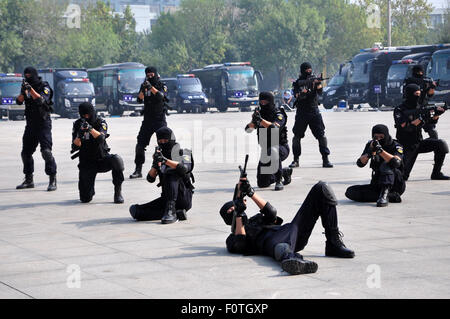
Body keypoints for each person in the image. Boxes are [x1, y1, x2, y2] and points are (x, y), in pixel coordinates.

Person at [220, 178, 354, 275]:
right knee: (280, 245)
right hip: (273, 244)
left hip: (292, 231)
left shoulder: (256, 219)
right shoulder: (231, 238)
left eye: (234, 207)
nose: (234, 210)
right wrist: (238, 213)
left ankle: (333, 244)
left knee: (322, 188)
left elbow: (271, 212)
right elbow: (241, 243)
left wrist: (250, 192)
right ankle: (291, 259)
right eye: (230, 210)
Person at [129, 126, 195, 224]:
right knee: (135, 211)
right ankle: (177, 213)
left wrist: (165, 160)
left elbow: (184, 168)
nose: (163, 143)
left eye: (166, 140)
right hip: (166, 198)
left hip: (183, 196)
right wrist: (156, 164)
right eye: (160, 141)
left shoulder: (184, 152)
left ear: (172, 139)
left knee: (170, 171)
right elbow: (150, 178)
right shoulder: (160, 155)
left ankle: (171, 212)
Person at [394, 83, 449, 181]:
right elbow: (405, 127)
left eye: (419, 94)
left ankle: (436, 173)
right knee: (402, 177)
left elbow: (429, 123)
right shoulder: (400, 109)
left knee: (441, 144)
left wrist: (436, 114)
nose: (418, 96)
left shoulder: (421, 108)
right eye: (416, 94)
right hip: (406, 145)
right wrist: (420, 118)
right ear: (409, 94)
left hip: (418, 142)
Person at [72, 102, 124, 204]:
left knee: (116, 160)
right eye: (84, 115)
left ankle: (118, 192)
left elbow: (101, 138)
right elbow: (75, 146)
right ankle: (89, 190)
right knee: (85, 199)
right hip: (87, 162)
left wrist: (90, 129)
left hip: (102, 159)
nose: (86, 117)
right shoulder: (77, 124)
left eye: (88, 115)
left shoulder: (100, 122)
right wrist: (80, 134)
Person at [16, 66, 57, 191]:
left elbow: (41, 100)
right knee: (25, 153)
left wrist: (31, 90)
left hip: (43, 123)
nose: (28, 77)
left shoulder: (44, 86)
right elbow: (18, 101)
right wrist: (23, 92)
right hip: (31, 124)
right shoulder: (26, 87)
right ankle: (29, 180)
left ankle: (52, 179)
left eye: (30, 75)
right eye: (26, 75)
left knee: (46, 152)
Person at [345, 125, 405, 207]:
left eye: (381, 136)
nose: (379, 139)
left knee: (386, 164)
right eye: (376, 136)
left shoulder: (396, 145)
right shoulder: (371, 144)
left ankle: (384, 196)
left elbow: (396, 162)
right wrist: (370, 153)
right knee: (350, 192)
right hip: (377, 182)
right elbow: (360, 163)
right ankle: (391, 196)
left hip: (395, 183)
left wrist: (380, 151)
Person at [245, 92, 292, 191]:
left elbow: (274, 128)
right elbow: (248, 130)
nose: (263, 104)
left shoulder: (279, 113)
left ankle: (279, 180)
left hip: (281, 148)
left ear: (270, 101)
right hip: (266, 152)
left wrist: (261, 120)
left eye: (265, 102)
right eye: (261, 102)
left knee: (273, 150)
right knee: (262, 183)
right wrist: (253, 120)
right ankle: (284, 173)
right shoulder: (260, 115)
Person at [290, 62, 333, 169]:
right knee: (297, 136)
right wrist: (303, 92)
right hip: (302, 112)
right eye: (306, 69)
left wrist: (318, 84)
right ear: (302, 70)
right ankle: (296, 160)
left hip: (314, 111)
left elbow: (320, 93)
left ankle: (325, 159)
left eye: (310, 69)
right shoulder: (297, 83)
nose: (308, 71)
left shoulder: (314, 80)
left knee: (321, 136)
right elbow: (297, 96)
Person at [130, 66, 168, 179]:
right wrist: (144, 89)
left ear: (156, 74)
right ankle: (138, 169)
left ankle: (166, 167)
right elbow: (139, 99)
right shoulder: (144, 86)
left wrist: (151, 87)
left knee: (165, 143)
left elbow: (162, 97)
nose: (150, 76)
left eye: (152, 75)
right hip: (147, 120)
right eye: (148, 75)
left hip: (159, 120)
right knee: (140, 144)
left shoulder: (162, 85)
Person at [403, 64, 438, 139]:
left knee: (429, 129)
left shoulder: (409, 80)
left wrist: (432, 86)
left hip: (416, 107)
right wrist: (432, 87)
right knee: (430, 129)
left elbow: (404, 95)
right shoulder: (426, 80)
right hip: (419, 107)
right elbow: (430, 94)